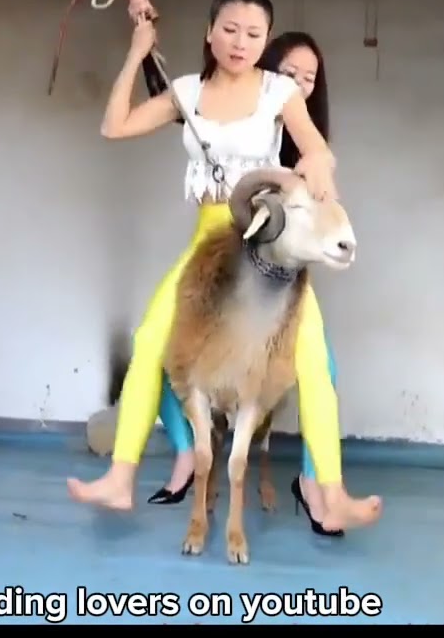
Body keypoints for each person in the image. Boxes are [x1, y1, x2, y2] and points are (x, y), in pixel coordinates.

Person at [65, 0, 382, 534]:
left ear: (265, 41)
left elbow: (316, 150)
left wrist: (316, 183)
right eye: (230, 30)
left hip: (262, 233)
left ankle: (331, 495)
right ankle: (120, 481)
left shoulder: (280, 91)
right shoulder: (186, 93)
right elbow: (114, 126)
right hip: (209, 235)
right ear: (211, 33)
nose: (240, 42)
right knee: (150, 340)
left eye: (254, 34)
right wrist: (138, 50)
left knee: (310, 356)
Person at [139, 31, 348, 537]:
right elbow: (186, 109)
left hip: (279, 277)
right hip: (223, 257)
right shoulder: (247, 116)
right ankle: (189, 457)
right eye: (290, 73)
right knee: (166, 350)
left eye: (309, 78)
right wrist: (148, 52)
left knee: (321, 367)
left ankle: (314, 481)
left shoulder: (312, 147)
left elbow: (329, 214)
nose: (298, 84)